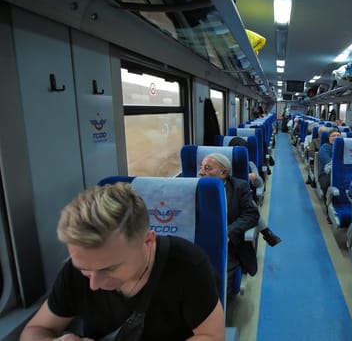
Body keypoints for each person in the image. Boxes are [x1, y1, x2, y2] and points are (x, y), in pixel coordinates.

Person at [20, 182, 225, 341]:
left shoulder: (189, 267)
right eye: (84, 269)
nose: (94, 284)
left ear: (148, 241)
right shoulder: (75, 270)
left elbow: (212, 336)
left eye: (109, 268)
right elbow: (35, 330)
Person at [198, 153, 260, 294]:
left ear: (223, 172)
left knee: (216, 281)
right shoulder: (193, 187)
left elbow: (251, 214)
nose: (201, 173)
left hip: (228, 246)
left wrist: (228, 232)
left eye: (207, 168)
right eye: (201, 168)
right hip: (198, 242)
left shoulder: (239, 187)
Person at [227, 137, 282, 247]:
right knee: (251, 206)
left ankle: (266, 233)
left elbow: (260, 183)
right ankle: (266, 232)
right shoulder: (224, 166)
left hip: (242, 197)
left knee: (249, 204)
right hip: (227, 195)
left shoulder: (250, 165)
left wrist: (254, 177)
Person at [318, 129, 341, 197]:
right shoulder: (325, 147)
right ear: (329, 138)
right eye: (333, 136)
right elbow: (329, 163)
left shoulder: (344, 148)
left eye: (338, 135)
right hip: (325, 174)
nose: (336, 137)